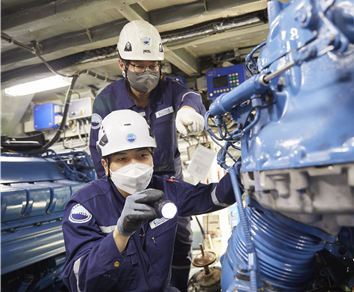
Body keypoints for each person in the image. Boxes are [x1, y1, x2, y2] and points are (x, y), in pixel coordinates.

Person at [62, 110, 236, 291]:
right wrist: (120, 235)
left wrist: (244, 170)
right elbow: (80, 283)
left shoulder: (167, 189)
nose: (134, 165)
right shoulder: (85, 206)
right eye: (122, 158)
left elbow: (212, 197)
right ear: (106, 165)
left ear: (152, 158)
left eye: (142, 155)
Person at [89, 20, 206, 290]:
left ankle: (176, 286)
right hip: (127, 184)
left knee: (180, 238)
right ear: (123, 65)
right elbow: (99, 153)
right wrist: (114, 193)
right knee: (135, 242)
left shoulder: (170, 87)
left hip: (168, 181)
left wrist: (189, 111)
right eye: (139, 67)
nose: (147, 72)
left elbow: (189, 96)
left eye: (153, 66)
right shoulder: (107, 99)